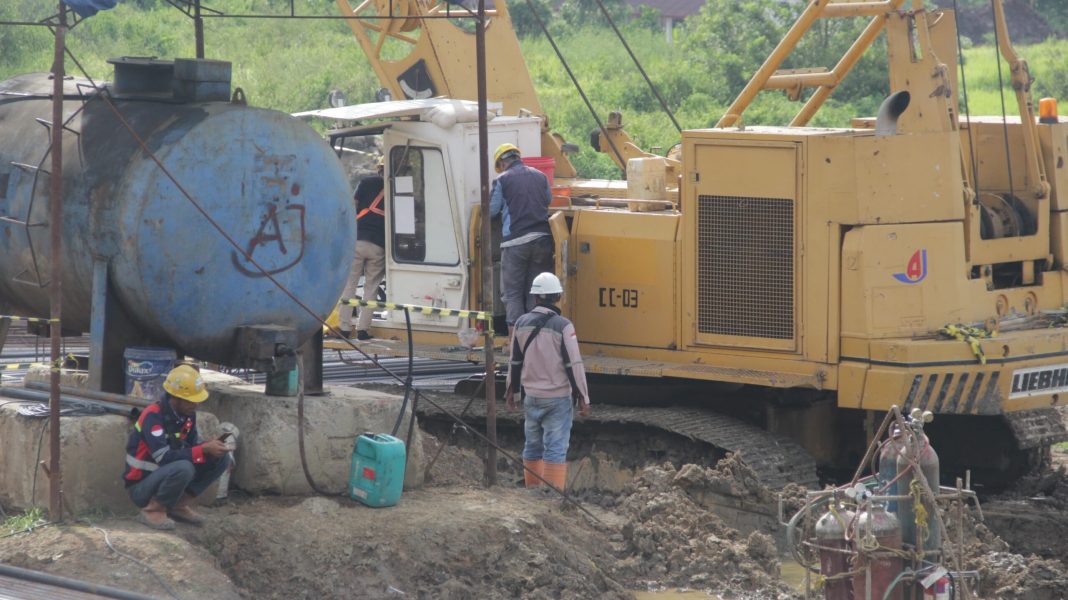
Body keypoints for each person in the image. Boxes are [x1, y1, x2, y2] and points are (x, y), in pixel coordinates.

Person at [504, 272, 591, 492]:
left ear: (535, 298)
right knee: (555, 447)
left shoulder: (521, 323)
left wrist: (512, 392)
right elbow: (574, 364)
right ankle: (551, 495)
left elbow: (514, 361)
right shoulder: (564, 326)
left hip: (531, 397)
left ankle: (533, 492)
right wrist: (583, 396)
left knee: (532, 445)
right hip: (557, 398)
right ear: (558, 297)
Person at [123, 364, 231, 530]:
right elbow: (164, 458)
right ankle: (153, 510)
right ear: (175, 397)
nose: (195, 405)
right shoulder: (153, 416)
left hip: (167, 478)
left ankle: (178, 505)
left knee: (222, 459)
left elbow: (190, 448)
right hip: (141, 487)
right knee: (184, 467)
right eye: (191, 400)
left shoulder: (187, 416)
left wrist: (208, 448)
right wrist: (202, 450)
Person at [489, 143, 554, 334]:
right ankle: (535, 336)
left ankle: (515, 341)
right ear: (517, 157)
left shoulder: (502, 179)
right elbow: (547, 200)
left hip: (516, 243)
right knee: (535, 290)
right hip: (543, 240)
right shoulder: (540, 176)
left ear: (502, 162)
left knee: (512, 293)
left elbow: (491, 210)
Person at [339, 157, 387, 341]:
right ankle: (363, 330)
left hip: (358, 240)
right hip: (379, 245)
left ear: (379, 168)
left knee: (350, 284)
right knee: (371, 287)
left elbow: (352, 205)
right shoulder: (398, 189)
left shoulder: (366, 182)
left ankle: (344, 327)